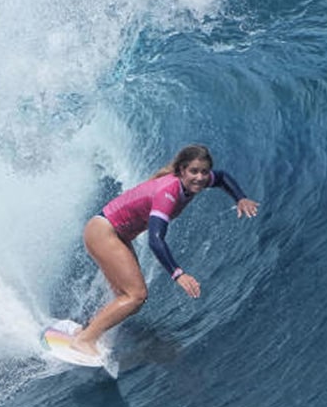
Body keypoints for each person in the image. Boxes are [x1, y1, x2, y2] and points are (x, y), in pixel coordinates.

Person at [70, 144, 259, 357]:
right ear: (181, 171)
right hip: (104, 232)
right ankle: (85, 340)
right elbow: (155, 239)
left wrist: (240, 197)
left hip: (112, 233)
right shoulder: (168, 193)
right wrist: (178, 274)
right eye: (194, 171)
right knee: (136, 296)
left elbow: (222, 177)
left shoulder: (195, 182)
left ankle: (86, 330)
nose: (200, 177)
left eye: (204, 172)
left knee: (125, 297)